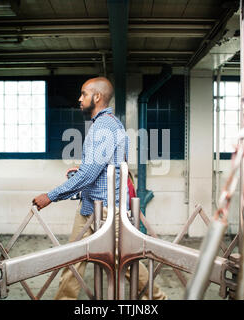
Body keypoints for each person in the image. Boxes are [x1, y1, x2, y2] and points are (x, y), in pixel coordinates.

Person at [33, 77, 167, 300]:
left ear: (97, 97)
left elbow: (88, 175)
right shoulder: (105, 124)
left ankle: (158, 299)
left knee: (125, 261)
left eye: (83, 94)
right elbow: (97, 167)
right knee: (72, 260)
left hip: (106, 210)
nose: (80, 99)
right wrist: (84, 168)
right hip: (89, 206)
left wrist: (51, 196)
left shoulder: (104, 126)